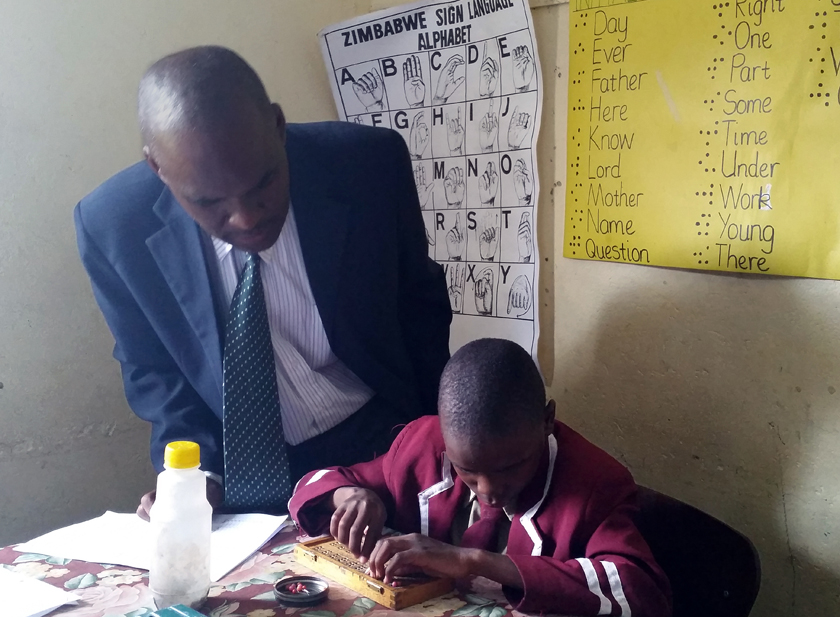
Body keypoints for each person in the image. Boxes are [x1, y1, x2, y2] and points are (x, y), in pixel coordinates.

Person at [74, 46, 451, 518]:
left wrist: (439, 441)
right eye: (210, 202)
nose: (246, 217)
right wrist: (195, 477)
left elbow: (421, 309)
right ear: (159, 168)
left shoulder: (367, 167)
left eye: (263, 184)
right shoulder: (114, 227)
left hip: (383, 448)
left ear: (277, 125)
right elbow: (153, 370)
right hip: (241, 472)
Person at [290, 339, 672, 616]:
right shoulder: (422, 446)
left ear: (547, 421)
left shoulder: (594, 483)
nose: (488, 492)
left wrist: (474, 561)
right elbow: (313, 485)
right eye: (467, 471)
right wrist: (351, 495)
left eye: (510, 467)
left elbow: (642, 592)